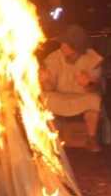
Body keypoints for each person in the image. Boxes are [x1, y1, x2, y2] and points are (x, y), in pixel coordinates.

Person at [39, 24, 104, 152]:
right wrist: (45, 80)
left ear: (77, 47)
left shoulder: (93, 60)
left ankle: (91, 139)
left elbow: (95, 88)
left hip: (81, 97)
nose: (63, 47)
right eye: (62, 43)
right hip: (58, 95)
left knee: (94, 99)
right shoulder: (54, 58)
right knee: (42, 98)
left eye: (67, 44)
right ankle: (45, 138)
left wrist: (87, 83)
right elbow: (49, 87)